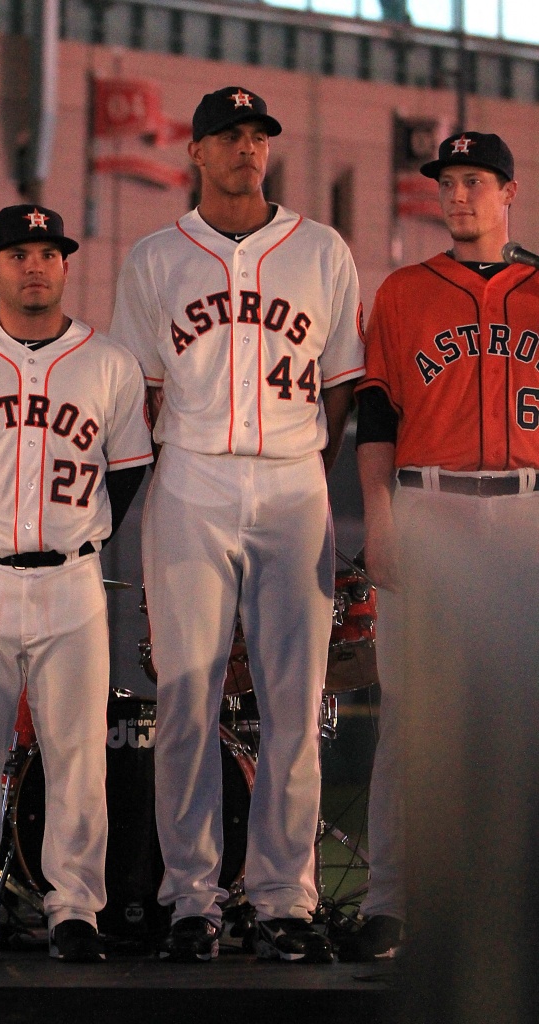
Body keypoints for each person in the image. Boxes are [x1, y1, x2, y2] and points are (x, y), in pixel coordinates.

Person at [109, 87, 365, 963]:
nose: (248, 148)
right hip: (190, 474)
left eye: (258, 135)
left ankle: (284, 897)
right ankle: (191, 897)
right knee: (187, 693)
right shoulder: (153, 257)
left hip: (294, 479)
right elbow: (140, 390)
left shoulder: (323, 250)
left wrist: (308, 476)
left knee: (293, 701)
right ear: (196, 151)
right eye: (229, 135)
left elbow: (342, 386)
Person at [0, 204, 152, 963]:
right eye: (19, 253)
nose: (35, 265)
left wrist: (73, 532)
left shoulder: (108, 362)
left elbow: (130, 468)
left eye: (48, 252)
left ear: (66, 266)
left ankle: (75, 908)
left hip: (72, 577)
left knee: (78, 753)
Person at [351, 132, 539, 1022]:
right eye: (447, 182)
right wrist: (380, 519)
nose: (457, 195)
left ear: (509, 191)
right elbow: (378, 415)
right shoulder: (403, 291)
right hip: (429, 502)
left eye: (473, 181)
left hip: (531, 504)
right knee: (412, 713)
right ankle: (391, 898)